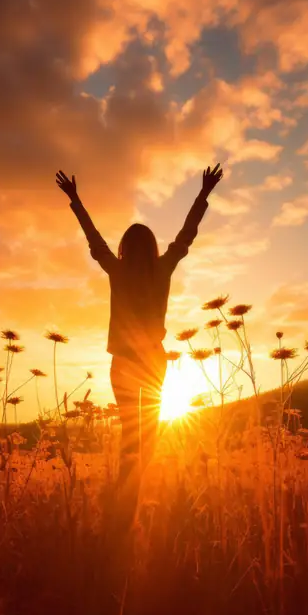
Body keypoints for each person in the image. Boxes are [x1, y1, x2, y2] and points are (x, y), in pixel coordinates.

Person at [56, 163, 223, 503]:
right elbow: (185, 236)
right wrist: (204, 193)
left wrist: (75, 200)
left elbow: (94, 241)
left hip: (124, 361)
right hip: (153, 360)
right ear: (150, 247)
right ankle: (136, 490)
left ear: (125, 249)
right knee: (148, 429)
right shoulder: (162, 269)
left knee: (132, 429)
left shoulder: (117, 271)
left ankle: (127, 493)